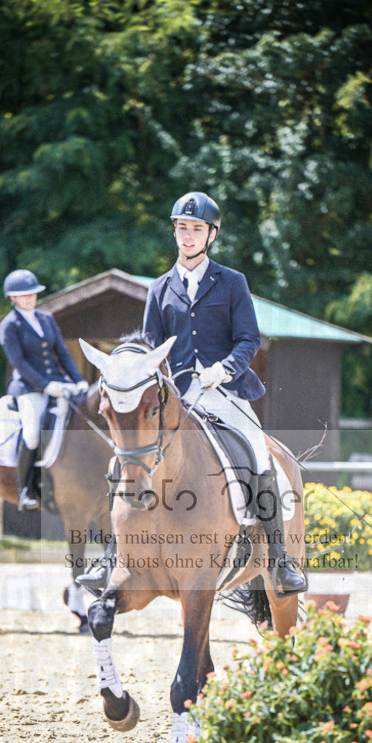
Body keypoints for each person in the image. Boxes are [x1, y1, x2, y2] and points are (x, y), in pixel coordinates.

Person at [142, 191, 306, 596]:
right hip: (178, 397)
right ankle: (114, 553)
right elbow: (150, 348)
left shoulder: (232, 282)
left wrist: (224, 369)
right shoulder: (159, 288)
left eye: (196, 229)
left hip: (225, 391)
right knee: (133, 456)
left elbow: (249, 339)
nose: (188, 236)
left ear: (211, 235)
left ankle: (280, 558)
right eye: (182, 228)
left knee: (257, 450)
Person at [0, 269, 88, 510]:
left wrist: (78, 380)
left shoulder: (47, 319)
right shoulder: (9, 325)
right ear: (13, 298)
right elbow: (19, 363)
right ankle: (25, 490)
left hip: (59, 382)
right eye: (23, 295)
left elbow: (62, 352)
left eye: (32, 294)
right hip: (29, 388)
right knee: (32, 434)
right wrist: (46, 385)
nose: (29, 298)